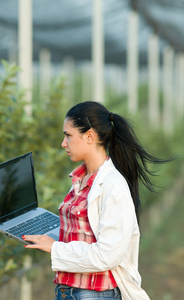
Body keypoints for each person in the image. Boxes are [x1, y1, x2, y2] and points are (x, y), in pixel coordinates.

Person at [23, 101, 172, 300]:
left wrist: (55, 247)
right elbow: (84, 234)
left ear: (90, 136)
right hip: (69, 291)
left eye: (68, 135)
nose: (63, 143)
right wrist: (49, 237)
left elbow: (107, 255)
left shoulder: (113, 186)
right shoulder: (81, 179)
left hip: (94, 294)